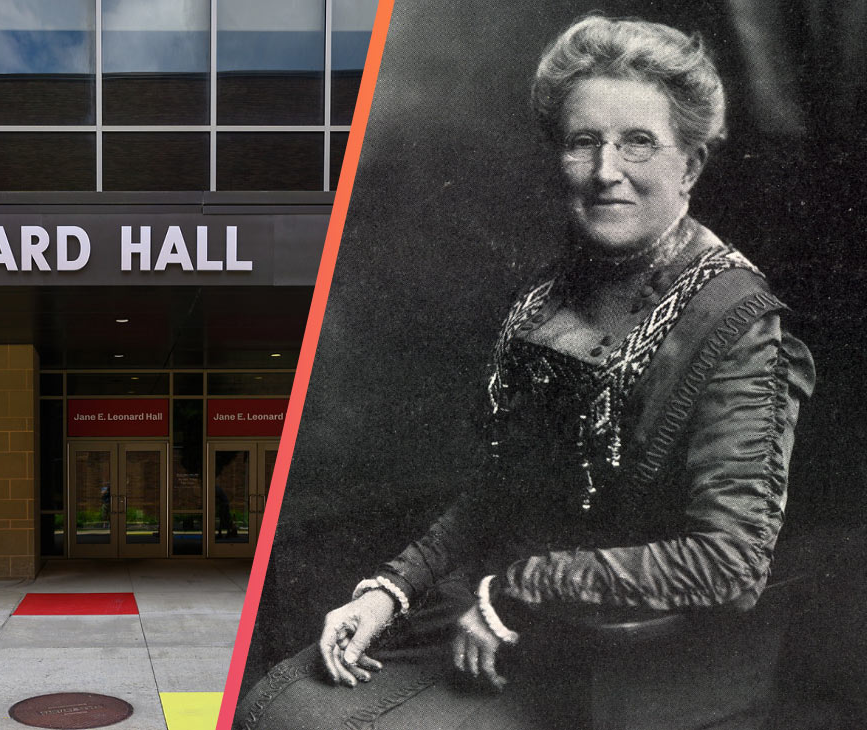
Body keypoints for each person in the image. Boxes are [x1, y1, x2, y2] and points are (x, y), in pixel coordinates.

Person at [236, 14, 814, 730]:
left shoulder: (739, 325)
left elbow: (728, 564)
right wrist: (391, 588)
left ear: (689, 164)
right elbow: (505, 490)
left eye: (639, 142)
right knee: (276, 701)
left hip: (618, 664)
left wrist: (516, 594)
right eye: (583, 142)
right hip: (493, 614)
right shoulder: (553, 294)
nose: (607, 172)